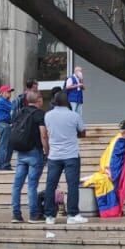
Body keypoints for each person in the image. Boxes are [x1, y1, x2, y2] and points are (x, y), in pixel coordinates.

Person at [42, 91, 87, 224]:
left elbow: (47, 132)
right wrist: (73, 134)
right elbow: (83, 133)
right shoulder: (74, 115)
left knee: (51, 185)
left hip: (54, 155)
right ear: (67, 101)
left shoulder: (48, 115)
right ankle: (72, 215)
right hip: (71, 155)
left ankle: (49, 216)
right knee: (72, 185)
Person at [9, 90, 49, 223]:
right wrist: (46, 150)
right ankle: (34, 215)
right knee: (32, 185)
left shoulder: (21, 112)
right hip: (34, 152)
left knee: (17, 185)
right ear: (38, 100)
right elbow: (43, 134)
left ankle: (16, 215)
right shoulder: (40, 114)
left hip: (21, 152)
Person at [87, 120, 125, 218]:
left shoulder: (120, 139)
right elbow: (114, 158)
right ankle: (112, 211)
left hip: (112, 169)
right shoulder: (121, 141)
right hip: (113, 170)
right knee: (116, 189)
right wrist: (112, 173)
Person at [0, 85, 15, 171]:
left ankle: (5, 164)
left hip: (7, 125)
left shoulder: (7, 101)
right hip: (4, 125)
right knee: (4, 146)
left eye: (10, 92)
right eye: (8, 92)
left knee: (9, 146)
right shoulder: (1, 101)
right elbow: (14, 108)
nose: (9, 93)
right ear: (2, 93)